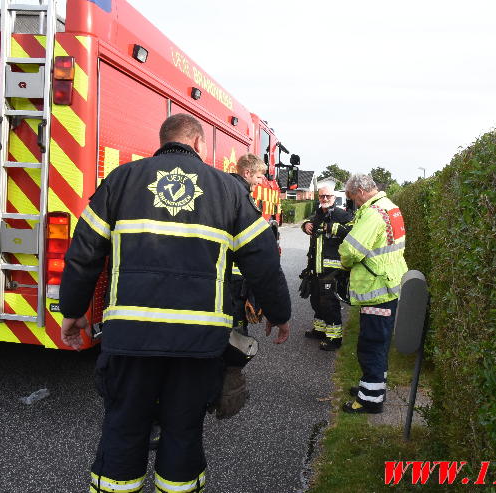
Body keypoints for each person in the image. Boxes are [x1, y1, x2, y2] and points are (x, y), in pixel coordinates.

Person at [59, 114, 291, 491]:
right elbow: (262, 259)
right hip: (198, 341)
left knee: (124, 424)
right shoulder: (228, 190)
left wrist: (72, 311)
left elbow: (84, 252)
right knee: (183, 430)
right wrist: (279, 314)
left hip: (130, 337)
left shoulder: (121, 179)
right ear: (198, 144)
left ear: (162, 139)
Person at [338, 174, 407, 413]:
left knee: (371, 345)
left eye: (352, 198)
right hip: (390, 285)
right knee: (379, 343)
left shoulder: (373, 214)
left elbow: (350, 250)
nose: (354, 204)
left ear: (360, 192)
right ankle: (372, 389)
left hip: (377, 289)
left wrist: (344, 263)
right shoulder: (391, 208)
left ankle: (369, 401)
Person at [301, 183, 353, 350]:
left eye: (328, 196)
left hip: (333, 270)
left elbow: (353, 232)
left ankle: (334, 339)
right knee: (316, 300)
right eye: (322, 196)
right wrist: (305, 225)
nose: (324, 199)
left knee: (329, 304)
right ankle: (320, 330)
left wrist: (335, 228)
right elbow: (310, 224)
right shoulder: (317, 215)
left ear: (334, 198)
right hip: (316, 269)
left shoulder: (342, 215)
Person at [229, 153, 267, 336]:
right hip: (236, 278)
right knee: (236, 329)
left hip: (224, 274)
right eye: (259, 176)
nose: (261, 181)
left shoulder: (227, 190)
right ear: (247, 172)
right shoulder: (243, 198)